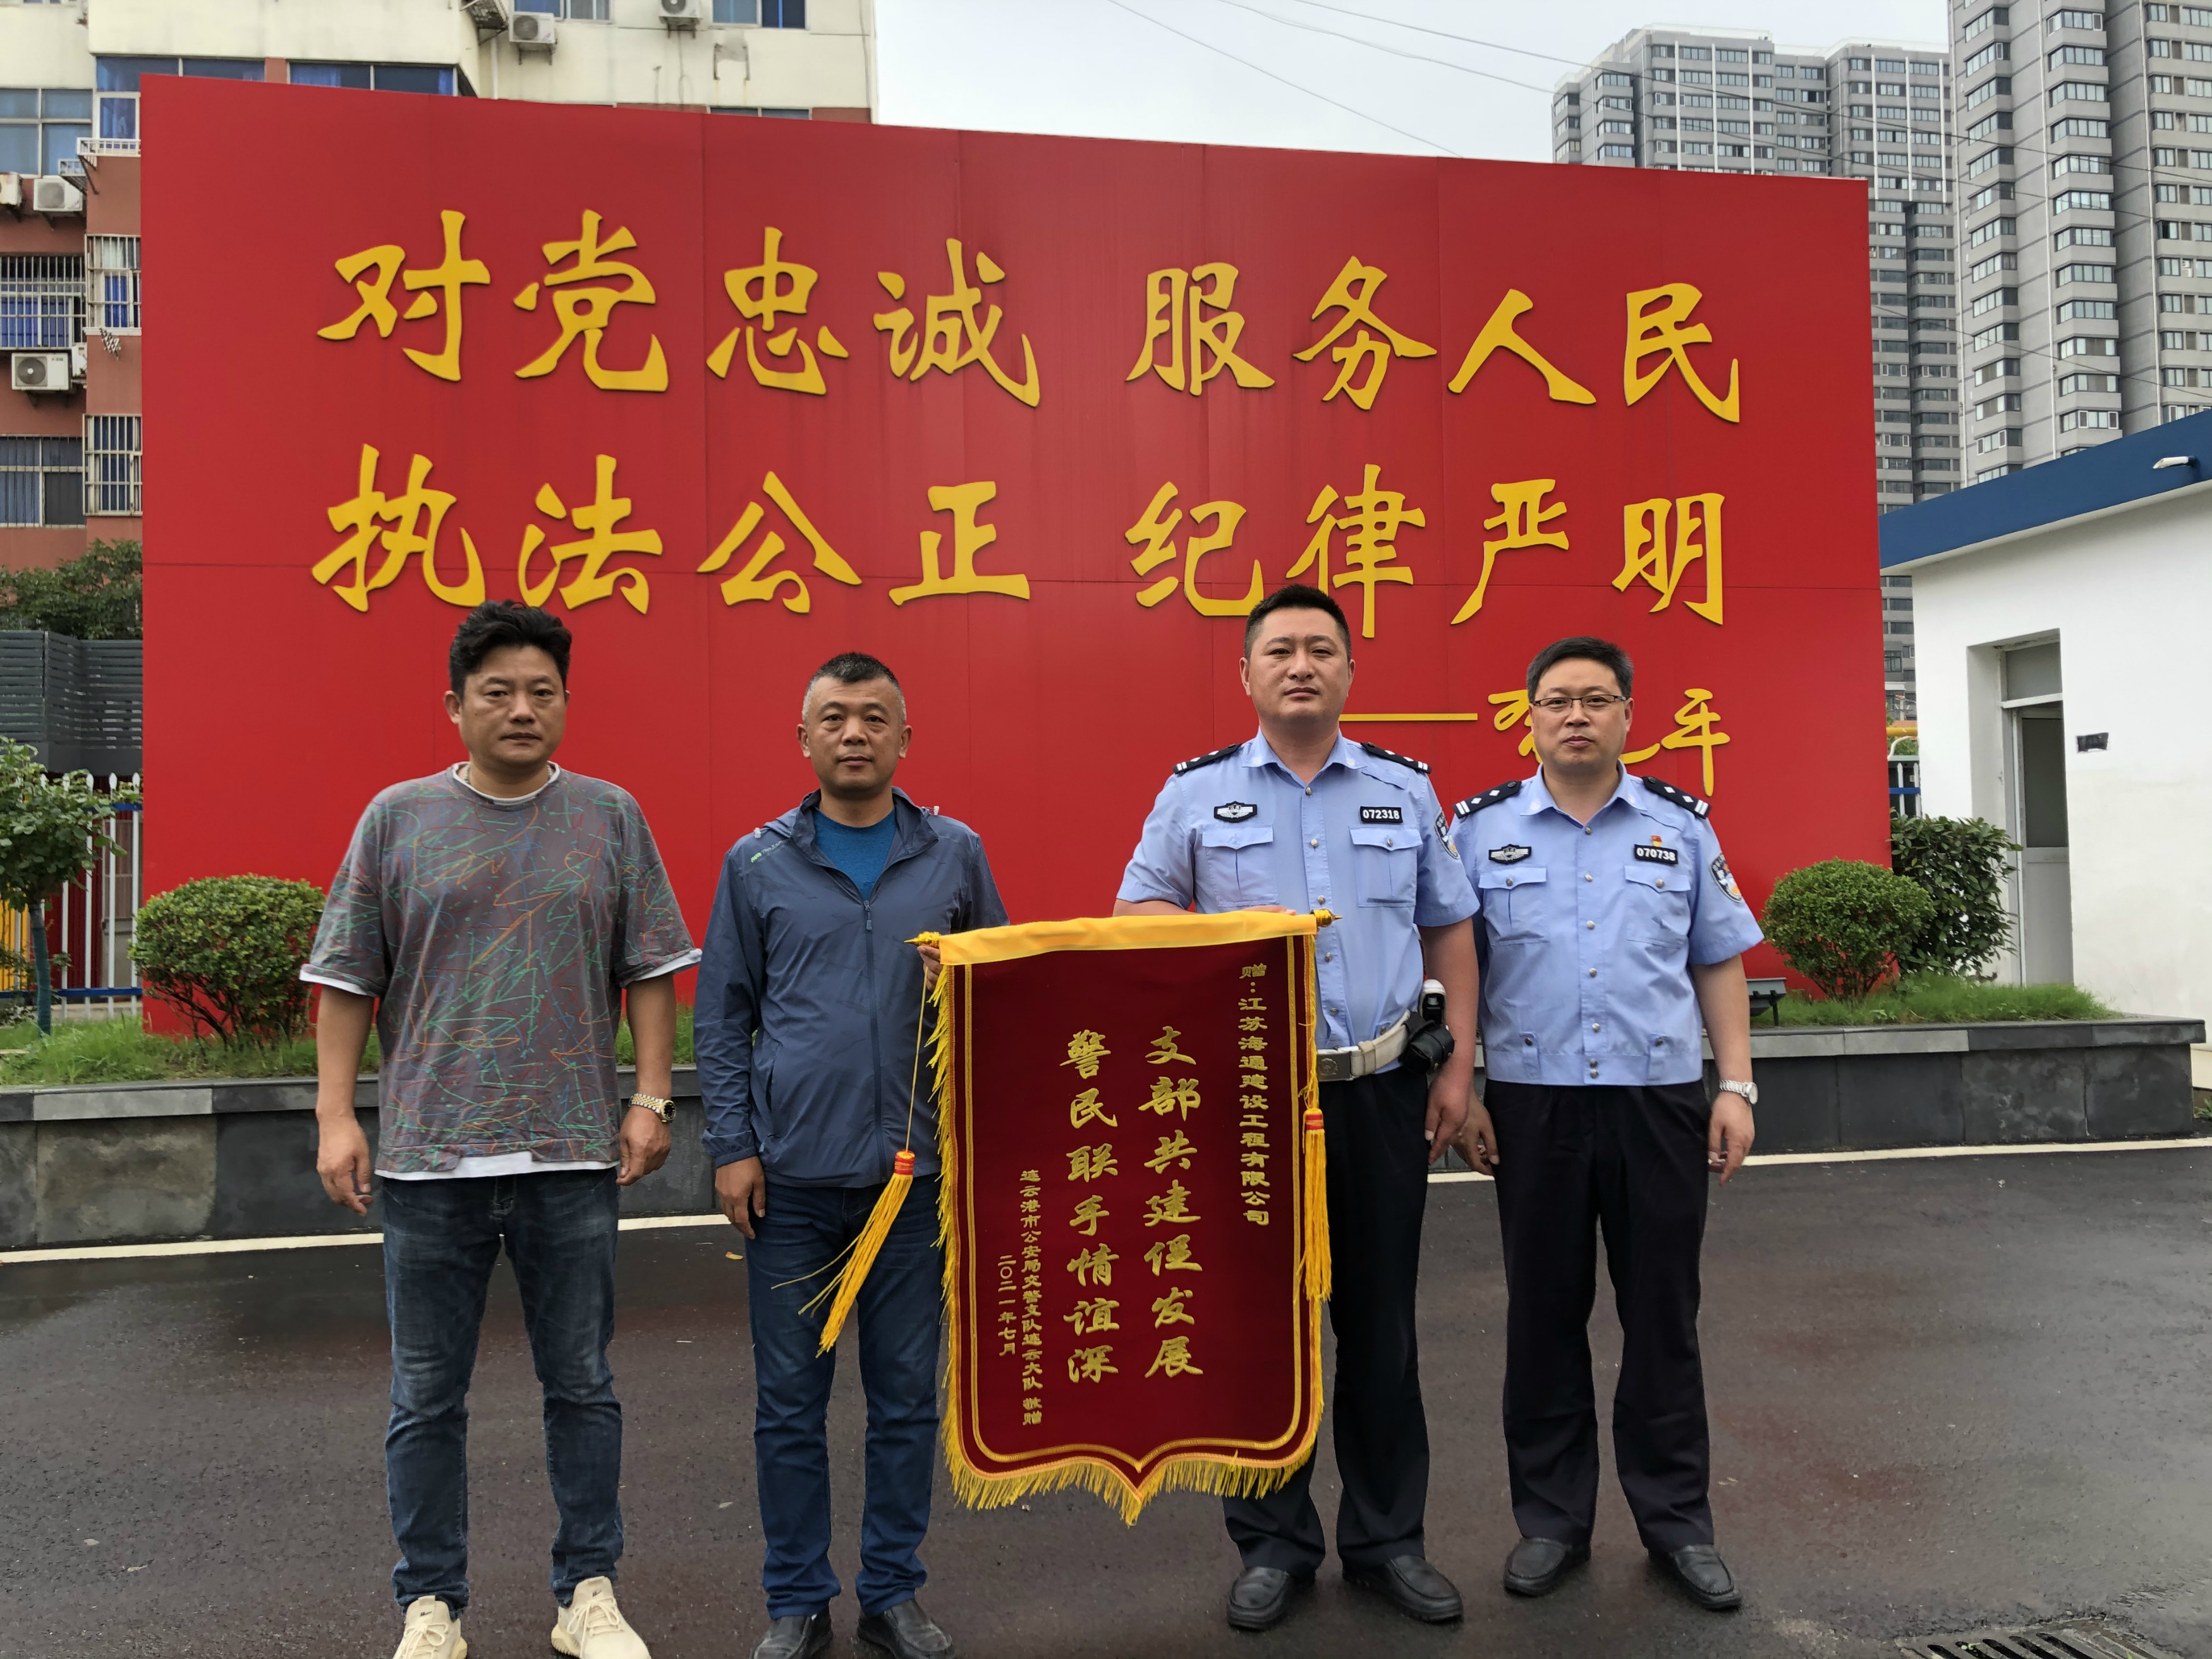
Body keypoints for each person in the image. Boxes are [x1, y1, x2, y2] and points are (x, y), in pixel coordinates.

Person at [308, 600, 700, 1659]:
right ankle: (431, 1604)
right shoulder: (397, 818)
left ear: (565, 702)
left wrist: (652, 1097)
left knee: (583, 1386)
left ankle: (589, 1593)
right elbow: (346, 979)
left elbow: (651, 969)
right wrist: (336, 1115)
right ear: (455, 705)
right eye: (498, 691)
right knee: (426, 1398)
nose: (522, 709)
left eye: (542, 691)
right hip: (429, 1159)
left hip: (571, 1155)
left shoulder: (611, 816)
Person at [1112, 583, 1485, 1633]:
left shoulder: (1403, 788)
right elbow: (1138, 910)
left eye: (1322, 648)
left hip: (1381, 1089)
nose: (1302, 665)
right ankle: (1272, 1544)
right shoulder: (1197, 792)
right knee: (1256, 1329)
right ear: (1246, 673)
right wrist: (1230, 941)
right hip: (1248, 1102)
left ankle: (1387, 1541)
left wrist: (1458, 1069)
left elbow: (1450, 927)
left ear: (1351, 670)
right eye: (1280, 650)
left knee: (1381, 1324)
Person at [695, 652, 1007, 1659]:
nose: (855, 733)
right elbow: (723, 1015)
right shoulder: (756, 864)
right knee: (789, 1405)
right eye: (834, 717)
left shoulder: (954, 855)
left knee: (905, 1400)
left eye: (875, 717)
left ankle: (891, 1591)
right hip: (791, 1184)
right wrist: (734, 1147)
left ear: (906, 737)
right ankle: (796, 1598)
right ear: (804, 738)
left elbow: (1000, 999)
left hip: (915, 1184)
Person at [1449, 635, 1761, 1612]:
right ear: (1530, 718)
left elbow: (1717, 958)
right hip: (1532, 1102)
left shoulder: (1680, 826)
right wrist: (1466, 1086)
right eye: (1557, 701)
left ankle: (1678, 1524)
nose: (1576, 715)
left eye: (1595, 699)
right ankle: (1551, 1521)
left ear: (1629, 713)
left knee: (1663, 1314)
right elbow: (1457, 968)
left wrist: (1736, 1085)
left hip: (1658, 1100)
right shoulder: (1478, 830)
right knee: (1544, 1314)